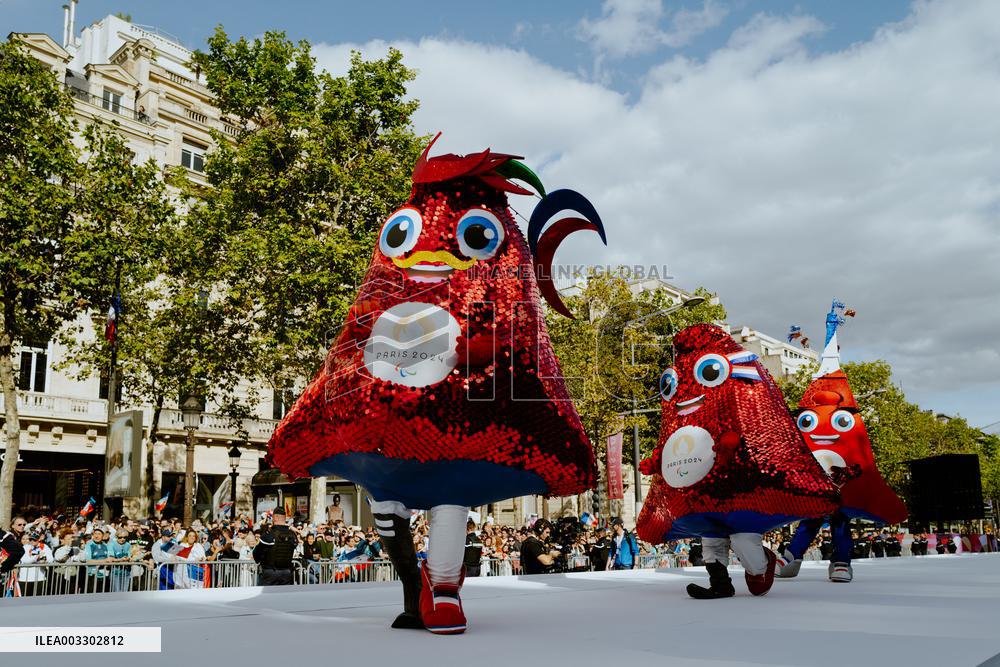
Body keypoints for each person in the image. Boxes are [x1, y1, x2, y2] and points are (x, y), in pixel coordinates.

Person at [253, 507, 297, 585]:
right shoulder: (292, 535)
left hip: (270, 573)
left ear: (275, 517)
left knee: (266, 597)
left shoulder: (269, 534)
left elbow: (256, 554)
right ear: (284, 518)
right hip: (287, 573)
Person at [18, 531, 54, 596]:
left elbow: (51, 559)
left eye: (34, 540)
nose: (32, 541)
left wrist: (42, 558)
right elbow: (24, 560)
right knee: (24, 601)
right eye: (30, 539)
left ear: (39, 539)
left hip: (40, 578)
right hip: (25, 579)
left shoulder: (44, 547)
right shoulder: (25, 547)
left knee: (38, 601)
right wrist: (36, 558)